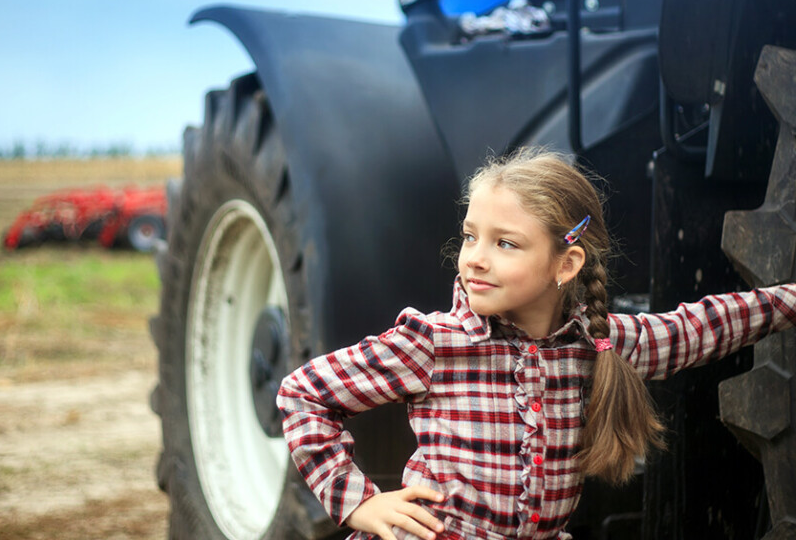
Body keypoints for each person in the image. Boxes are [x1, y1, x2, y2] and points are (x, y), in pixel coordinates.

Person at [277, 149, 796, 540]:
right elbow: (303, 394)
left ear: (565, 265)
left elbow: (698, 329)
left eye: (505, 243)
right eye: (469, 235)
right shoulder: (433, 343)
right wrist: (358, 503)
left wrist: (788, 301)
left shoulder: (598, 345)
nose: (475, 258)